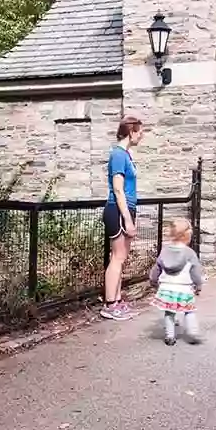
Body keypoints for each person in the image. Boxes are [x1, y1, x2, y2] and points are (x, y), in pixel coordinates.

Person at [101, 116, 143, 320]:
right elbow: (117, 189)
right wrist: (127, 219)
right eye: (139, 132)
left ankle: (117, 301)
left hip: (126, 209)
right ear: (131, 132)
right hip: (117, 210)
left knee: (121, 257)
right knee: (117, 257)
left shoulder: (126, 155)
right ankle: (109, 305)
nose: (141, 135)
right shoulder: (118, 155)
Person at [148, 218, 204, 345]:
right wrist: (198, 285)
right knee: (189, 311)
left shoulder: (164, 251)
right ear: (187, 236)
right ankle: (193, 332)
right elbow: (195, 272)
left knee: (169, 312)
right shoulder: (189, 253)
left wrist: (153, 281)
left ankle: (170, 336)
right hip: (184, 288)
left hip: (166, 288)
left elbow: (156, 268)